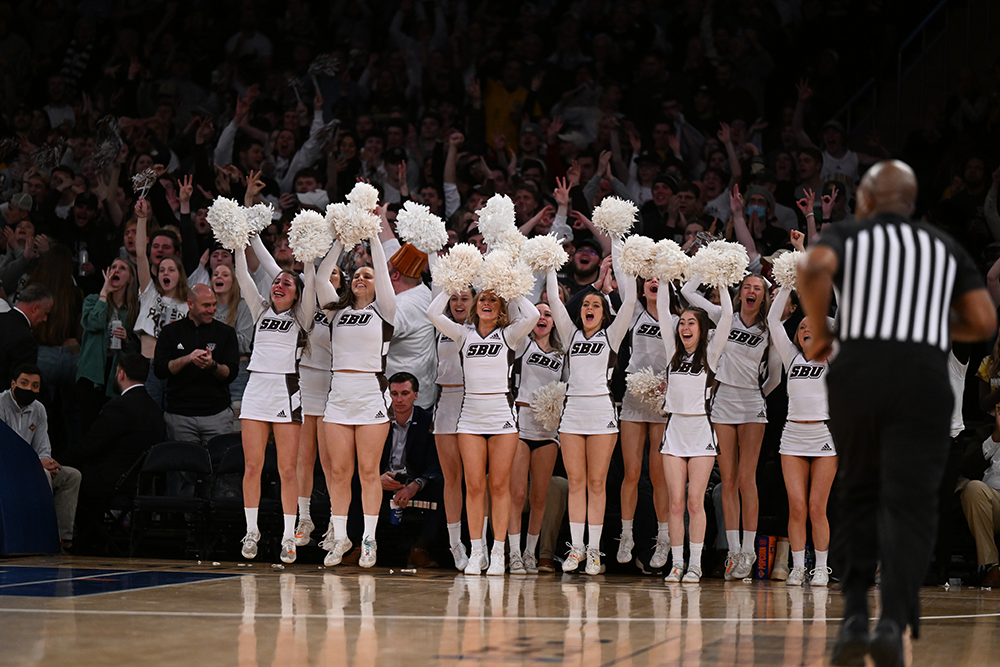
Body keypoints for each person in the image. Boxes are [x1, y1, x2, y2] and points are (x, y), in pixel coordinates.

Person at [798, 160, 995, 667]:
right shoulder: (942, 247)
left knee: (859, 493)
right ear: (911, 203)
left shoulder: (849, 235)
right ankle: (892, 623)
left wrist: (820, 331)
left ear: (866, 200)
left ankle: (852, 624)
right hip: (922, 383)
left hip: (859, 375)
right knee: (910, 504)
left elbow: (812, 268)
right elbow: (984, 318)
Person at [682, 201, 779, 580]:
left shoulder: (769, 330)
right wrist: (713, 262)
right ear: (739, 293)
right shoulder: (724, 315)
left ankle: (749, 554)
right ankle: (734, 551)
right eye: (747, 286)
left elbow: (774, 377)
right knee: (727, 480)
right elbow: (690, 291)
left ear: (764, 296)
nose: (751, 290)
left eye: (757, 288)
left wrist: (756, 395)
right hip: (722, 403)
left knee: (746, 480)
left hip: (751, 403)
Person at [427, 283, 540, 575]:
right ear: (476, 306)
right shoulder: (463, 334)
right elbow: (432, 312)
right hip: (470, 419)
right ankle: (477, 551)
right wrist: (451, 283)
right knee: (474, 486)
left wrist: (511, 285)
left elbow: (530, 315)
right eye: (483, 299)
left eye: (493, 300)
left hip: (502, 417)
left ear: (501, 308)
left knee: (499, 487)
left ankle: (498, 551)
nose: (486, 303)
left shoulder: (509, 335)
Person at [545, 233, 637, 575]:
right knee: (577, 483)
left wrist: (619, 254)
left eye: (596, 306)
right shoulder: (570, 335)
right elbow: (554, 300)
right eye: (586, 305)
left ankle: (595, 551)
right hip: (572, 415)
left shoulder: (610, 337)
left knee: (597, 484)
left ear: (603, 313)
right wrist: (551, 262)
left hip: (601, 413)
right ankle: (576, 549)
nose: (589, 309)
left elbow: (628, 304)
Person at [315, 209, 396, 570]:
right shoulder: (336, 311)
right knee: (337, 472)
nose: (361, 278)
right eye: (356, 274)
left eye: (368, 275)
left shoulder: (385, 310)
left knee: (368, 471)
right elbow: (320, 277)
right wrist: (341, 238)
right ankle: (341, 535)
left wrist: (373, 233)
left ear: (378, 283)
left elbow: (383, 270)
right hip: (338, 397)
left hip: (370, 396)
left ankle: (369, 540)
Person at [234, 219, 315, 565]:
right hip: (256, 391)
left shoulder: (304, 316)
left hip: (286, 392)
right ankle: (251, 531)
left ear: (297, 294)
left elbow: (306, 279)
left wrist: (308, 257)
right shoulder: (259, 310)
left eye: (287, 283)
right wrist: (239, 240)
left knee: (287, 470)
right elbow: (244, 276)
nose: (279, 284)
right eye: (277, 281)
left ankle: (287, 537)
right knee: (251, 467)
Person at [658, 285, 734, 583]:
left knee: (694, 501)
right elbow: (664, 311)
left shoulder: (711, 355)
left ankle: (695, 564)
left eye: (691, 322)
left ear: (702, 330)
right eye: (682, 322)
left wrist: (722, 280)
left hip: (701, 432)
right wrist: (664, 278)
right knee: (675, 503)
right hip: (675, 431)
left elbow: (727, 315)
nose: (684, 326)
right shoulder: (672, 351)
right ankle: (677, 564)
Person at [767, 285, 837, 587]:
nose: (806, 327)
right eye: (802, 326)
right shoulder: (791, 358)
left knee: (817, 507)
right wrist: (785, 281)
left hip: (823, 435)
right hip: (793, 436)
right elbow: (772, 320)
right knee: (796, 506)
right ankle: (797, 566)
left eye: (813, 325)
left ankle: (821, 567)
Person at [67, 353, 165, 514]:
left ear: (121, 374)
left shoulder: (118, 406)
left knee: (68, 477)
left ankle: (78, 536)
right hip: (141, 484)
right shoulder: (155, 408)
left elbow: (91, 444)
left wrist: (62, 461)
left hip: (110, 483)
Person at [618, 276, 672, 568]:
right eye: (649, 279)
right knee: (632, 472)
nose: (654, 282)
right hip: (634, 397)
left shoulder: (675, 319)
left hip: (662, 398)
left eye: (659, 279)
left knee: (659, 475)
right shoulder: (635, 313)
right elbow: (622, 277)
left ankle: (663, 541)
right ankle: (627, 536)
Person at [509, 301, 564, 574]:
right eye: (539, 313)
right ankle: (513, 554)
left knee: (540, 496)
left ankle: (531, 553)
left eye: (548, 315)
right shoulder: (522, 344)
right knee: (517, 494)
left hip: (547, 431)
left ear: (554, 323)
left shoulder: (561, 355)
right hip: (520, 426)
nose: (542, 318)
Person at [0, 364, 81, 549]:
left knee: (72, 476)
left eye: (35, 386)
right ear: (13, 384)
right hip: (6, 471)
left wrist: (46, 462)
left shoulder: (39, 409)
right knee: (42, 475)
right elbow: (4, 451)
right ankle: (41, 538)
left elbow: (43, 447)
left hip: (31, 468)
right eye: (24, 383)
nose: (29, 389)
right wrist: (36, 465)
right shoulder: (0, 405)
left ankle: (62, 539)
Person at [153, 284, 239, 446]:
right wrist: (187, 359)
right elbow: (160, 369)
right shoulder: (171, 332)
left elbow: (231, 373)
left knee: (219, 467)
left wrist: (212, 365)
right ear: (190, 304)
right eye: (206, 305)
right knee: (182, 468)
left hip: (217, 416)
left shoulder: (226, 333)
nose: (212, 310)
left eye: (214, 304)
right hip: (180, 417)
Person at [378, 372, 444, 567]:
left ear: (415, 395)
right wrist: (374, 479)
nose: (399, 399)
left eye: (405, 393)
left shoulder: (428, 420)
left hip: (414, 480)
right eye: (394, 393)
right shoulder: (378, 419)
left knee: (444, 483)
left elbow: (435, 463)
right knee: (353, 480)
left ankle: (420, 548)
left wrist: (416, 484)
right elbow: (362, 459)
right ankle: (358, 545)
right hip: (382, 479)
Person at [430, 287, 474, 570]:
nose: (458, 302)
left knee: (477, 481)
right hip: (446, 401)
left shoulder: (483, 326)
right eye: (453, 297)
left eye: (464, 297)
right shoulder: (441, 325)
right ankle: (456, 544)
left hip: (474, 401)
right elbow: (437, 292)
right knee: (452, 478)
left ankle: (482, 545)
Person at [133, 199, 189, 408]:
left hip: (176, 367)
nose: (165, 272)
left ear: (179, 274)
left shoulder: (187, 303)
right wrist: (141, 219)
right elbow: (140, 254)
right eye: (162, 269)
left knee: (172, 416)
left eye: (171, 269)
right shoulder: (149, 292)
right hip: (148, 365)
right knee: (150, 414)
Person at [76, 259, 140, 429]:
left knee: (111, 424)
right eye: (113, 267)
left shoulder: (134, 308)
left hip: (117, 373)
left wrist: (126, 339)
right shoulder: (93, 300)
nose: (116, 271)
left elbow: (136, 349)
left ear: (131, 278)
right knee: (88, 423)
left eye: (122, 268)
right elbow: (92, 324)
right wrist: (104, 292)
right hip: (92, 370)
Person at [959, 410, 1000, 588]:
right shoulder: (987, 432)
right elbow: (967, 467)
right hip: (994, 499)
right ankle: (993, 566)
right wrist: (996, 436)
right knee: (973, 489)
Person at [0, 283, 53, 383]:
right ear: (35, 308)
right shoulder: (26, 339)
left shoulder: (1, 319)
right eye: (45, 313)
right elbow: (20, 383)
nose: (45, 319)